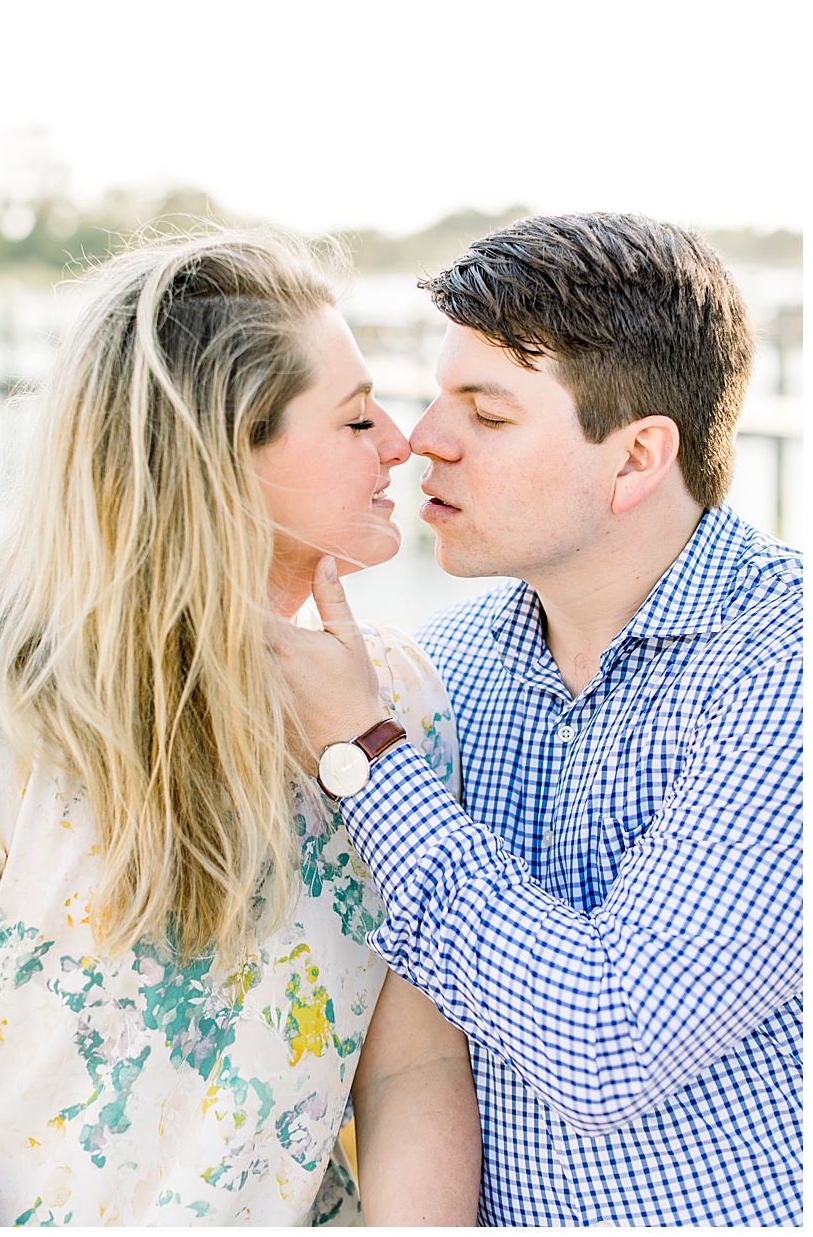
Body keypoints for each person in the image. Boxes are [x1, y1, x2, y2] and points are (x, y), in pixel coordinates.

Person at [0, 230, 481, 1226]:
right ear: (223, 455)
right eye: (355, 421)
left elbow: (414, 1069)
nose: (401, 442)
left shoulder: (396, 703)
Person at [275, 212, 801, 1226]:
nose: (422, 437)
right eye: (436, 396)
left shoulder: (782, 667)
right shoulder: (453, 664)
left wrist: (366, 756)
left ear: (639, 457)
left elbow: (610, 1039)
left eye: (489, 412)